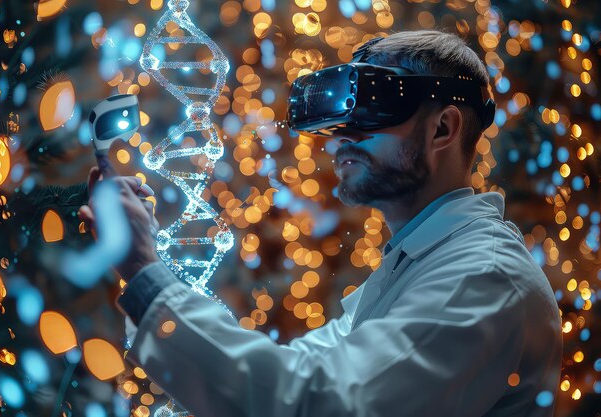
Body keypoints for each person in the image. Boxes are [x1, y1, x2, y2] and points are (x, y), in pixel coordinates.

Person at [78, 30, 562, 417]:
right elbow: (293, 375)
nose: (342, 136)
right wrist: (146, 268)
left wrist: (144, 271)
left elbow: (316, 403)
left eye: (371, 106)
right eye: (338, 115)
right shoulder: (414, 265)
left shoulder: (481, 277)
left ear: (443, 129)